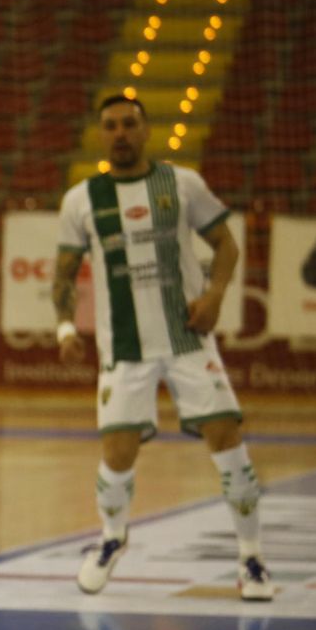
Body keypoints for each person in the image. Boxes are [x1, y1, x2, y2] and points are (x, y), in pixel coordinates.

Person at [53, 93, 272, 601]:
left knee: (227, 440)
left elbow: (227, 244)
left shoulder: (183, 183)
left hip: (187, 340)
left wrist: (214, 296)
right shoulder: (81, 200)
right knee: (117, 453)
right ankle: (112, 539)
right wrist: (65, 329)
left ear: (146, 130)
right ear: (101, 134)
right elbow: (63, 274)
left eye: (129, 124)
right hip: (124, 349)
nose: (120, 133)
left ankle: (252, 558)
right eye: (111, 125)